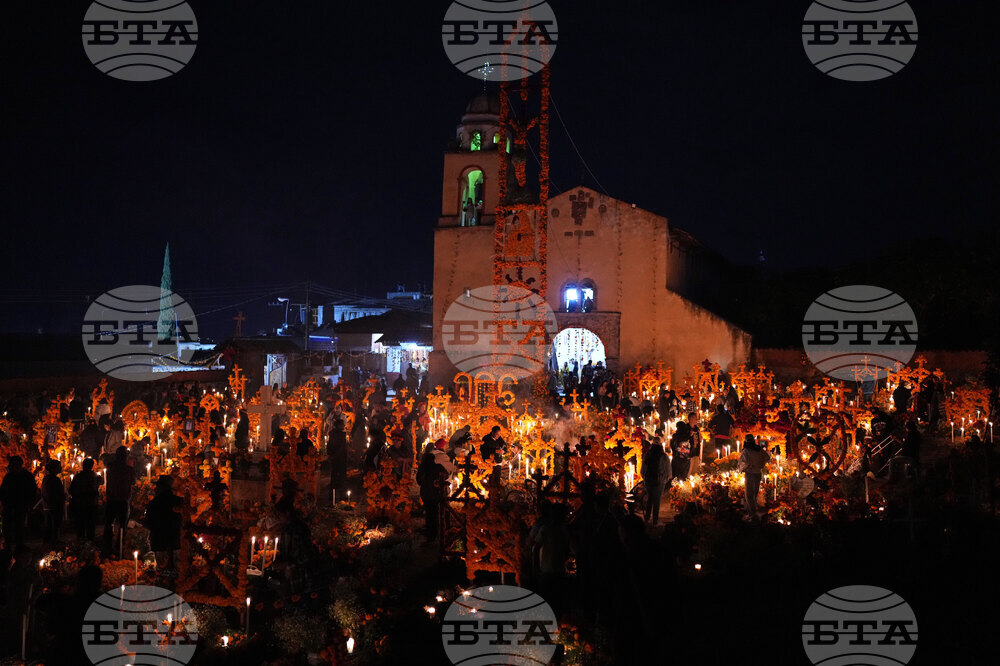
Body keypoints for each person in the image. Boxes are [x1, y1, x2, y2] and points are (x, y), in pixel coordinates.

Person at [416, 439, 456, 541]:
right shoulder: (438, 467)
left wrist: (425, 485)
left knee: (430, 514)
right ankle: (442, 531)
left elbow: (418, 480)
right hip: (436, 494)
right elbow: (446, 474)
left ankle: (431, 534)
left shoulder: (422, 468)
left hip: (425, 494)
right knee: (439, 512)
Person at [143, 475, 182, 570]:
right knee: (178, 570)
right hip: (176, 541)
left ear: (161, 488)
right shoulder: (179, 501)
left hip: (159, 542)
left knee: (162, 570)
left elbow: (148, 522)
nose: (155, 489)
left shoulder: (154, 503)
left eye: (157, 487)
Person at [0, 455, 37, 552]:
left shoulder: (26, 477)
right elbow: (3, 491)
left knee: (19, 526)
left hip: (20, 506)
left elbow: (32, 491)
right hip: (9, 506)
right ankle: (7, 546)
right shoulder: (9, 476)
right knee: (7, 527)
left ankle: (19, 545)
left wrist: (29, 503)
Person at [103, 446, 136, 556]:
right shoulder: (129, 469)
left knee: (109, 522)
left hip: (112, 498)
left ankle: (107, 544)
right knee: (122, 524)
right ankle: (119, 545)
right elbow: (133, 482)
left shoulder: (110, 466)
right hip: (123, 499)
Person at [738, 434, 770, 519]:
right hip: (758, 473)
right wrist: (760, 464)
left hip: (750, 473)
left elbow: (744, 462)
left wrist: (745, 467)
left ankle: (751, 514)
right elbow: (767, 457)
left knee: (749, 494)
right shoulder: (759, 449)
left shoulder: (747, 450)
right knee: (754, 494)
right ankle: (752, 512)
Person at [69, 458, 100, 540]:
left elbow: (71, 489)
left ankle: (81, 541)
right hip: (90, 504)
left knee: (80, 526)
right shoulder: (94, 477)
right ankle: (89, 542)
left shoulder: (78, 476)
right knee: (90, 525)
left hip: (80, 504)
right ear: (92, 466)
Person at [640, 438, 669, 524]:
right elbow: (667, 469)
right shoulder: (664, 456)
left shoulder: (648, 454)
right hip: (660, 481)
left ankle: (647, 517)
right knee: (657, 500)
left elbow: (643, 468)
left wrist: (644, 478)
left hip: (649, 480)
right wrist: (665, 479)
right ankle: (655, 520)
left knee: (650, 498)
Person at [41, 460, 66, 544]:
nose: (61, 468)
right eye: (59, 467)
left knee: (49, 525)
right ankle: (52, 542)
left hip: (48, 506)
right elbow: (53, 494)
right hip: (53, 506)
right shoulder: (53, 479)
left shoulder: (47, 479)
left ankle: (49, 542)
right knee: (53, 525)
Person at [327, 418, 349, 502]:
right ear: (338, 425)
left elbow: (329, 446)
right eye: (342, 424)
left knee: (334, 476)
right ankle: (342, 495)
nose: (344, 426)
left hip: (334, 457)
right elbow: (341, 447)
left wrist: (330, 454)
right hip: (340, 458)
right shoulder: (341, 435)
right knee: (341, 477)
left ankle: (332, 495)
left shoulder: (332, 434)